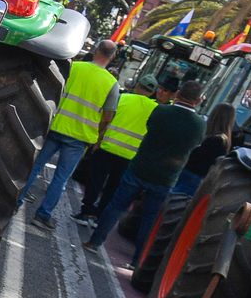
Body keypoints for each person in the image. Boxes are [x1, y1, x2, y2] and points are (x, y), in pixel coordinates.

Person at [86, 79, 208, 266]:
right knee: (149, 220)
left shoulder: (160, 111)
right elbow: (196, 145)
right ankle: (136, 262)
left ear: (177, 94)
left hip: (140, 168)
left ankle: (95, 241)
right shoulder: (199, 125)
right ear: (198, 100)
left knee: (116, 206)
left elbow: (150, 128)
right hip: (166, 177)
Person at [18, 39, 119, 230]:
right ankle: (43, 215)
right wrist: (99, 137)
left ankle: (16, 201)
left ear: (96, 50)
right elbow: (108, 116)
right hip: (79, 138)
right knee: (60, 178)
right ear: (112, 57)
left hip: (57, 126)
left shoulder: (75, 67)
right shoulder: (112, 84)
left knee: (36, 165)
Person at [74, 74, 160, 226]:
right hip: (130, 156)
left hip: (107, 147)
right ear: (152, 92)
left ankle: (85, 212)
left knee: (95, 182)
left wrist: (97, 141)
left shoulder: (122, 98)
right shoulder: (156, 109)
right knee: (113, 188)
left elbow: (106, 119)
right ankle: (99, 217)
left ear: (137, 85)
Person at [173, 102, 235, 196]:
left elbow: (195, 156)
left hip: (190, 175)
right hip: (198, 178)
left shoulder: (214, 139)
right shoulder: (224, 140)